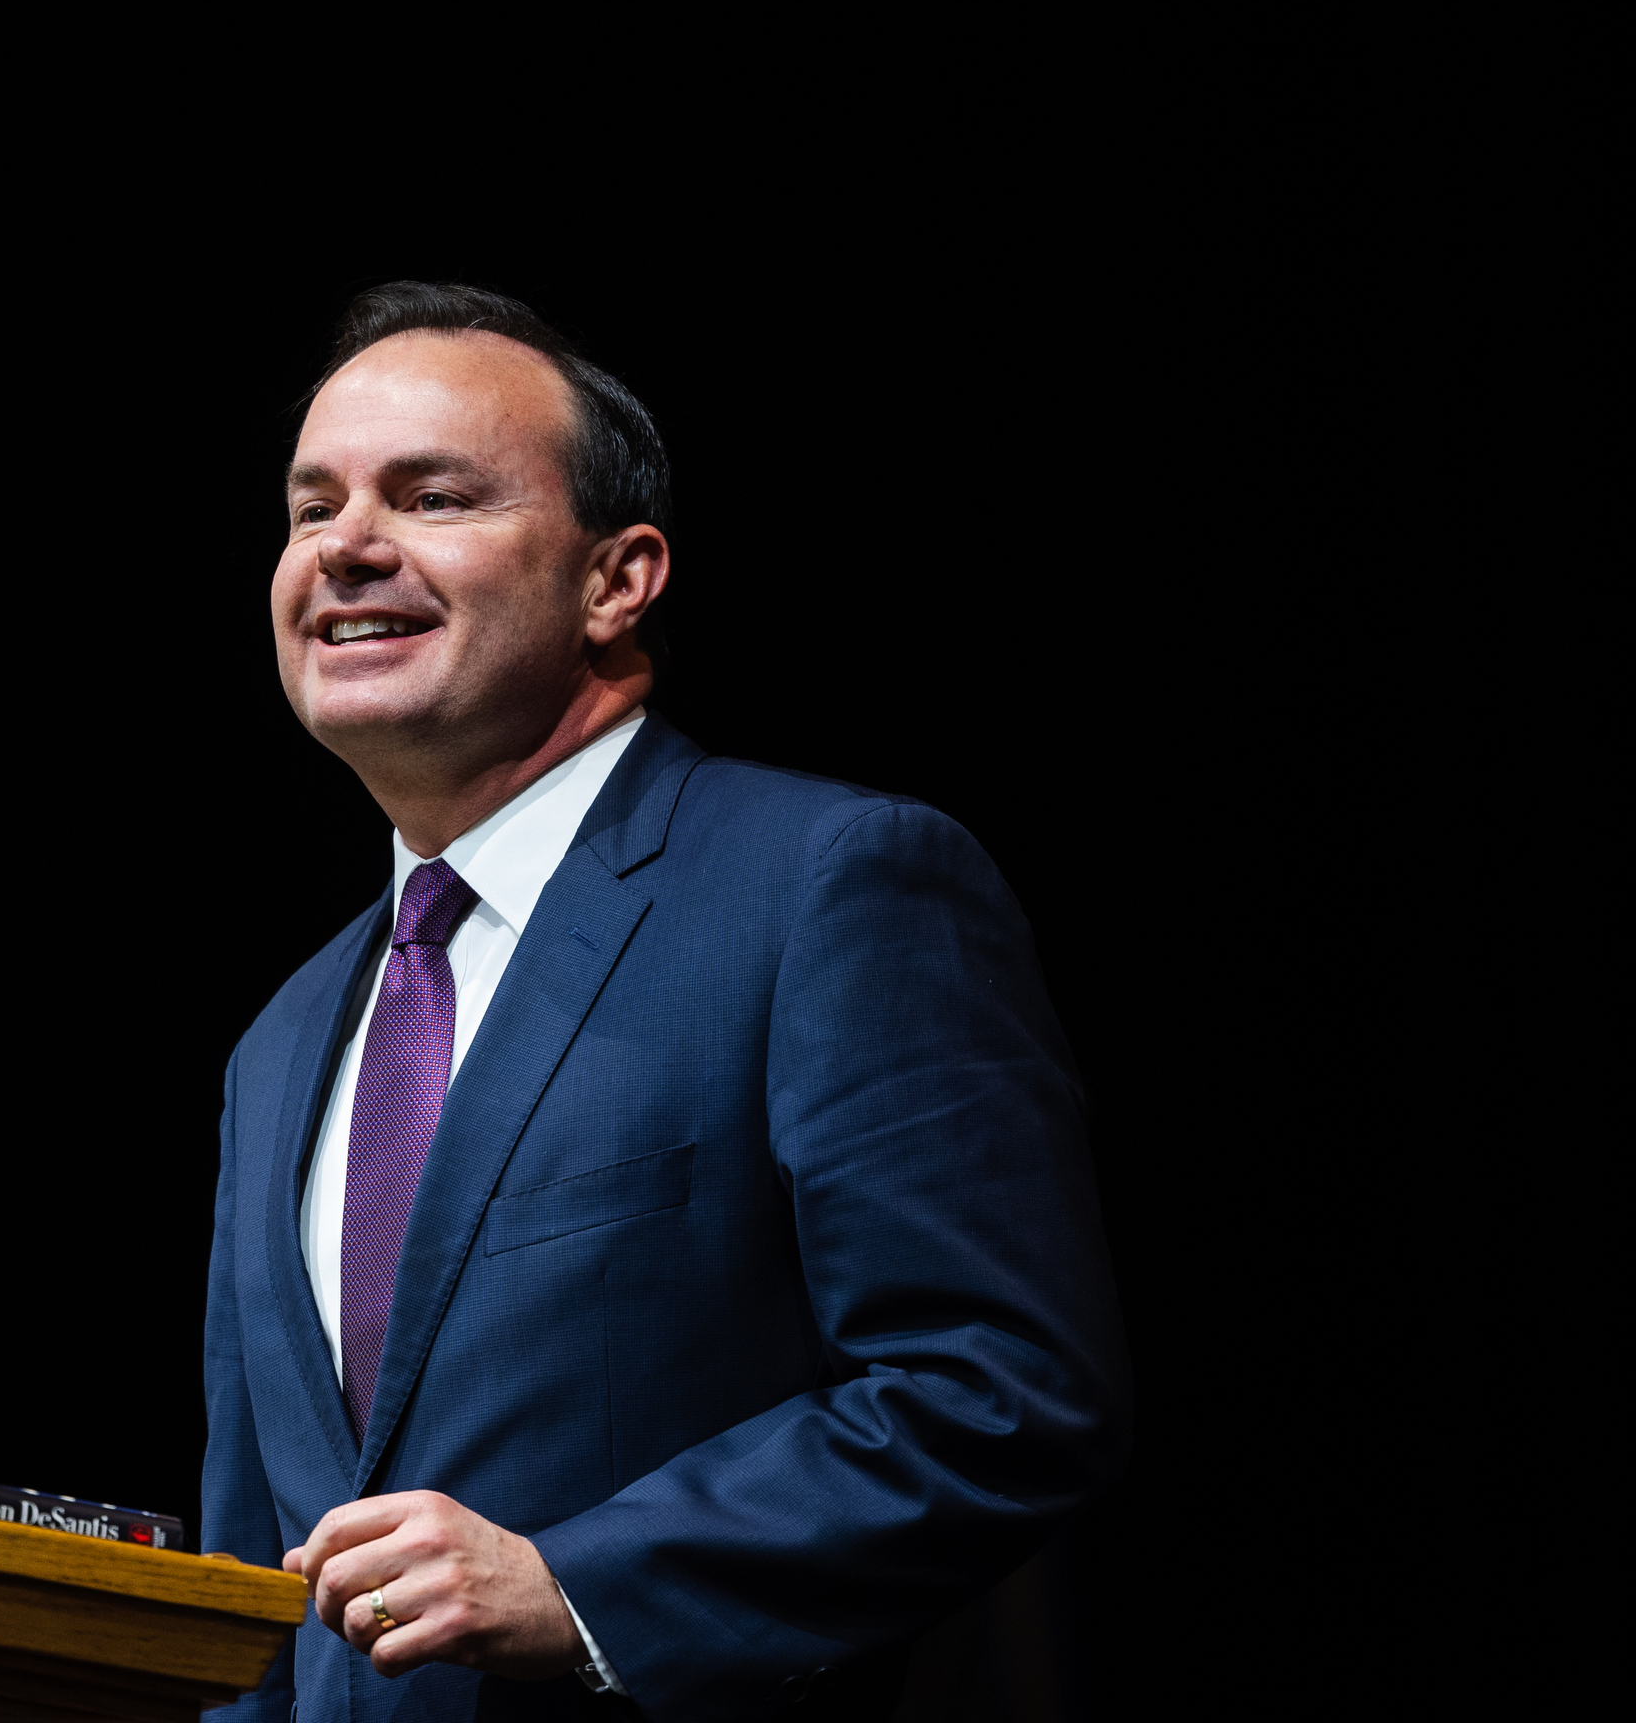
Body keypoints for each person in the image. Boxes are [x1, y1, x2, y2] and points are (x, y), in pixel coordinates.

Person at [202, 282, 1126, 1723]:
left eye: (431, 496)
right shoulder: (279, 1048)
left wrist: (575, 1588)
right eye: (310, 509)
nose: (346, 548)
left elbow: (994, 1396)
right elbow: (257, 1579)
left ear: (617, 579)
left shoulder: (827, 886)